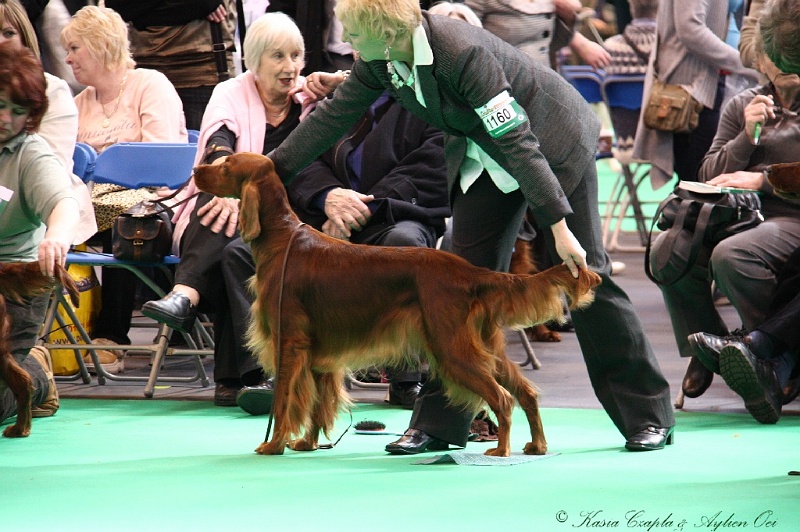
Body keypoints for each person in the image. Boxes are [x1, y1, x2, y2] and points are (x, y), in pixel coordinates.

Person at [265, 0, 676, 453]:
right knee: (455, 287)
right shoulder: (381, 61)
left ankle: (648, 416)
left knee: (587, 270)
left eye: (353, 33)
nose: (346, 43)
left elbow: (519, 141)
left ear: (383, 30)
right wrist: (264, 171)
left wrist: (557, 227)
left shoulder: (460, 51)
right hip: (486, 157)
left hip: (551, 144)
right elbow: (329, 120)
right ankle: (440, 425)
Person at [140, 12, 339, 406]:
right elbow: (218, 143)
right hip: (239, 217)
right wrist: (229, 191)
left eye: (296, 56)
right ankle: (195, 309)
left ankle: (195, 312)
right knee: (218, 207)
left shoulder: (312, 98)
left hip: (292, 218)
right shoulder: (230, 92)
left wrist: (335, 83)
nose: (290, 67)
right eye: (278, 56)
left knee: (238, 248)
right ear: (254, 60)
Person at [234, 91, 451, 412]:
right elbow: (300, 155)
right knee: (241, 251)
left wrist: (361, 208)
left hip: (396, 214)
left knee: (402, 243)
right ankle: (272, 373)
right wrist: (328, 196)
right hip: (325, 216)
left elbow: (429, 168)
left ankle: (406, 379)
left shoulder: (434, 105)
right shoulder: (337, 102)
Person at [648, 34, 800, 418]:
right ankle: (703, 343)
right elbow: (709, 173)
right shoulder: (741, 103)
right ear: (760, 61)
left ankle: (774, 355)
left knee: (734, 255)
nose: (783, 62)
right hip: (737, 214)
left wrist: (762, 180)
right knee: (668, 245)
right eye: (774, 55)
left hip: (791, 216)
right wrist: (745, 137)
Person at [60, 5, 188, 374]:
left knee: (125, 216)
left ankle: (112, 338)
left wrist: (108, 169)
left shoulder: (150, 85)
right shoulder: (78, 104)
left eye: (75, 48)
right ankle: (41, 333)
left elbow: (162, 163)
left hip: (154, 206)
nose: (67, 58)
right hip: (89, 207)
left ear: (101, 45)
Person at [0, 41, 80, 425]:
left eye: (17, 112)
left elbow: (64, 204)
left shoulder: (32, 154)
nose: (5, 119)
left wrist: (56, 238)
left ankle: (36, 377)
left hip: (15, 287)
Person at [632, 0, 759, 190]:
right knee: (699, 182)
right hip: (692, 93)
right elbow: (690, 28)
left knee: (704, 182)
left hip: (719, 86)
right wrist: (746, 65)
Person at [0, 0, 95, 244]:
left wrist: (56, 236)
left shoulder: (54, 91)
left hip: (39, 216)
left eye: (8, 33)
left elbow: (49, 175)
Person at [105, 0, 237, 131]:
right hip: (144, 65)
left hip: (202, 68)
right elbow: (120, 7)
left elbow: (205, 3)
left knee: (206, 148)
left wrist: (143, 18)